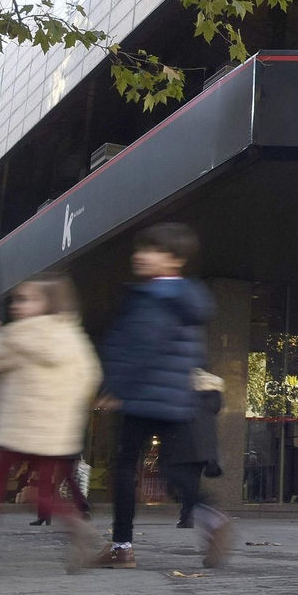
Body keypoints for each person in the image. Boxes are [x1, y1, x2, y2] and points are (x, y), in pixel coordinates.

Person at [93, 223, 232, 569]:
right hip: (175, 397)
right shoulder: (189, 299)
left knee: (125, 467)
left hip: (141, 395)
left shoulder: (152, 298)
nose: (140, 256)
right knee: (174, 469)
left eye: (151, 250)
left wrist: (114, 389)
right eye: (140, 249)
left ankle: (121, 547)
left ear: (175, 260)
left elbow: (140, 348)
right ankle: (211, 518)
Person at [0, 274, 102, 576]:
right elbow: (89, 378)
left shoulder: (23, 333)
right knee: (42, 495)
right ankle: (75, 524)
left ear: (47, 304)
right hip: (53, 435)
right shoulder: (75, 338)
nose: (16, 305)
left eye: (26, 299)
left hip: (16, 431)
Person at [166, 370, 226, 528]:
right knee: (192, 482)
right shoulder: (214, 395)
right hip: (204, 447)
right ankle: (188, 515)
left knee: (182, 480)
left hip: (186, 442)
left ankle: (191, 514)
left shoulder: (188, 391)